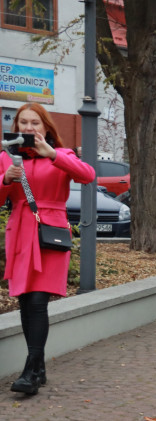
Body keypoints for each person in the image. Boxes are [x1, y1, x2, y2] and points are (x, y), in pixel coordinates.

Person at [1, 103, 97, 396]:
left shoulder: (62, 155)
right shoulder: (6, 157)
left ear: (46, 128)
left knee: (39, 300)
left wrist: (52, 154)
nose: (29, 128)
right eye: (23, 123)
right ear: (16, 127)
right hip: (19, 231)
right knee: (25, 301)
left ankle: (30, 371)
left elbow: (87, 175)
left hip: (49, 233)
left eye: (35, 123)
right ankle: (38, 368)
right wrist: (5, 179)